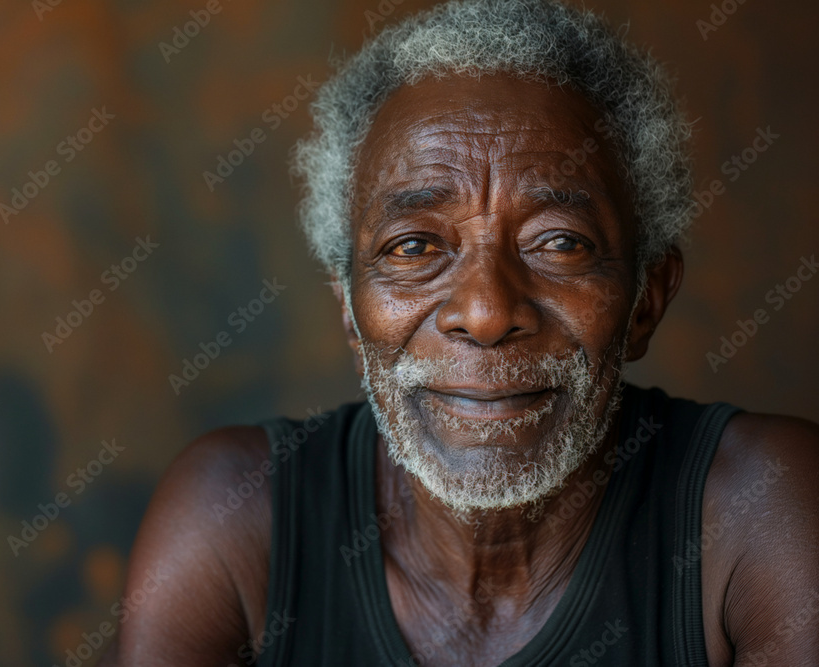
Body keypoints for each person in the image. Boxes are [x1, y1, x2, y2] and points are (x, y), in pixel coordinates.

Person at [109, 1, 819, 664]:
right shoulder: (234, 517)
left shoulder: (761, 505)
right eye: (413, 247)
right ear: (351, 313)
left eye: (560, 243)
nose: (484, 312)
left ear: (644, 301)